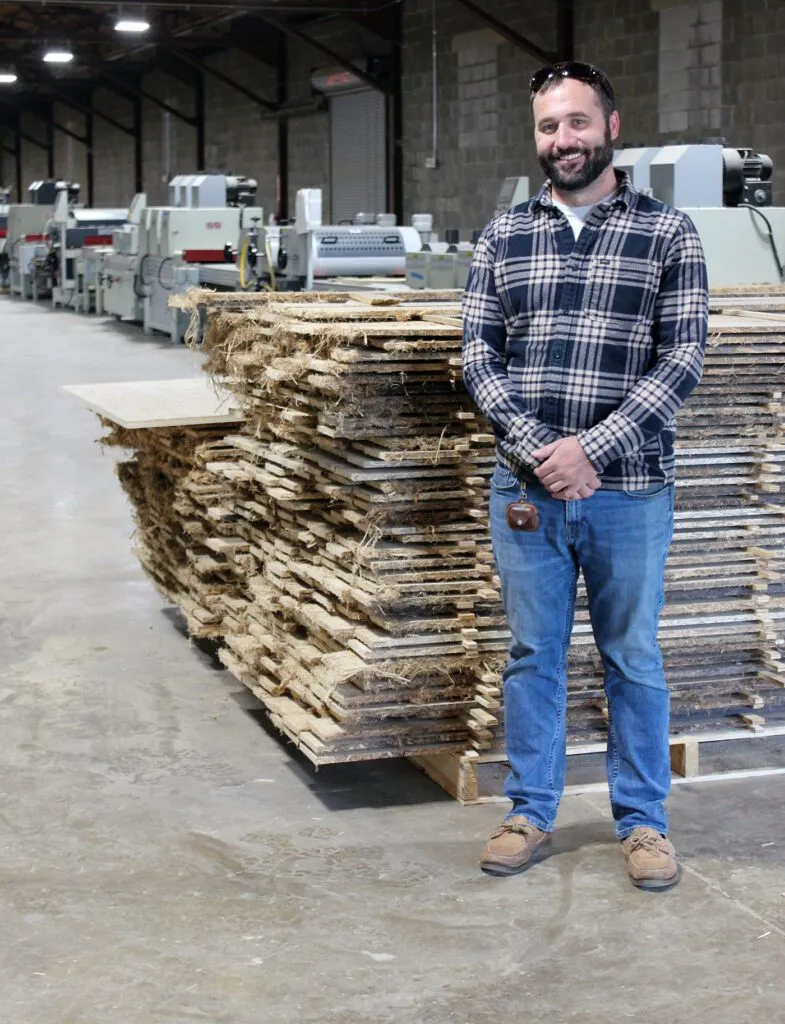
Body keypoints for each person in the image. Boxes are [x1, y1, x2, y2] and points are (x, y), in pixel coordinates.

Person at [462, 62, 709, 891]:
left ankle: (642, 824)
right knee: (534, 653)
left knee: (631, 656)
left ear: (609, 126)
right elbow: (476, 357)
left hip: (629, 488)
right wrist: (541, 448)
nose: (560, 140)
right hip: (525, 491)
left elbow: (682, 356)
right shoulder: (503, 235)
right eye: (546, 127)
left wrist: (592, 449)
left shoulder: (666, 232)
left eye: (575, 123)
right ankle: (529, 809)